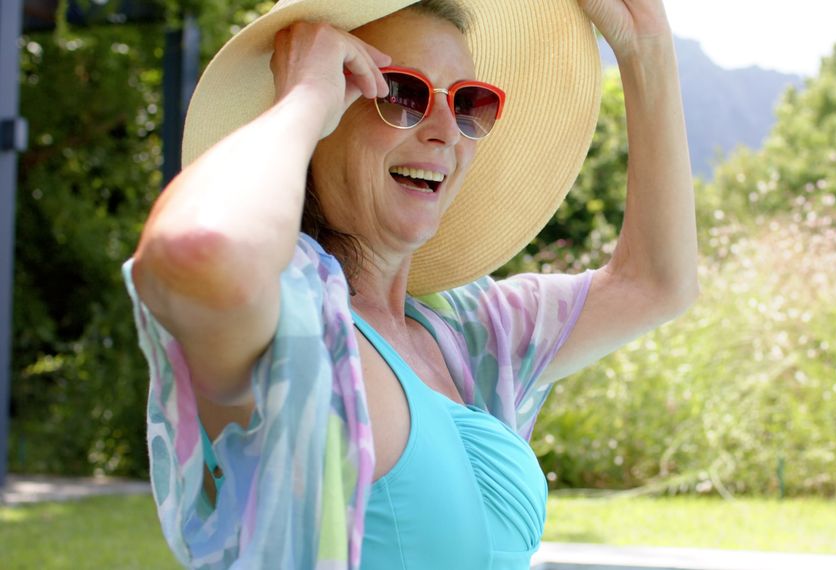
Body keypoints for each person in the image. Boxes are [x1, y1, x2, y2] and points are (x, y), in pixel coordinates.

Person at [123, 0, 697, 567]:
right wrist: (302, 97)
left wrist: (646, 48)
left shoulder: (467, 334)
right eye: (403, 94)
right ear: (326, 116)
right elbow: (192, 252)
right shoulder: (289, 314)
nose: (446, 131)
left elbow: (654, 285)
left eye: (470, 104)